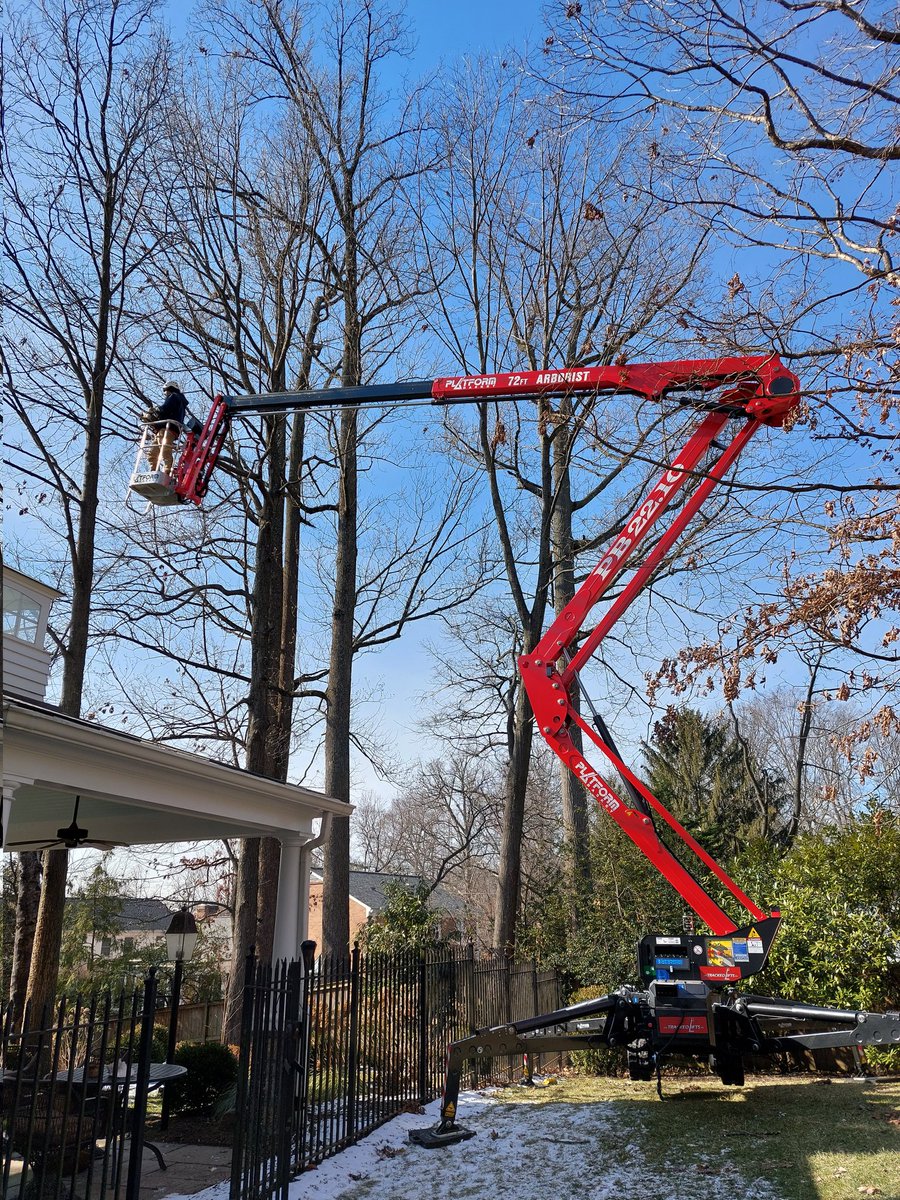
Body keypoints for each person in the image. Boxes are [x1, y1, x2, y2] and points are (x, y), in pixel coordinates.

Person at [145, 382, 188, 473]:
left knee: (165, 449)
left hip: (168, 428)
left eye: (165, 391)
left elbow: (165, 409)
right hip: (163, 429)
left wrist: (156, 411)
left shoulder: (174, 396)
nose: (165, 393)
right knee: (152, 453)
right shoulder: (179, 401)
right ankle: (153, 472)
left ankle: (168, 471)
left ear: (170, 388)